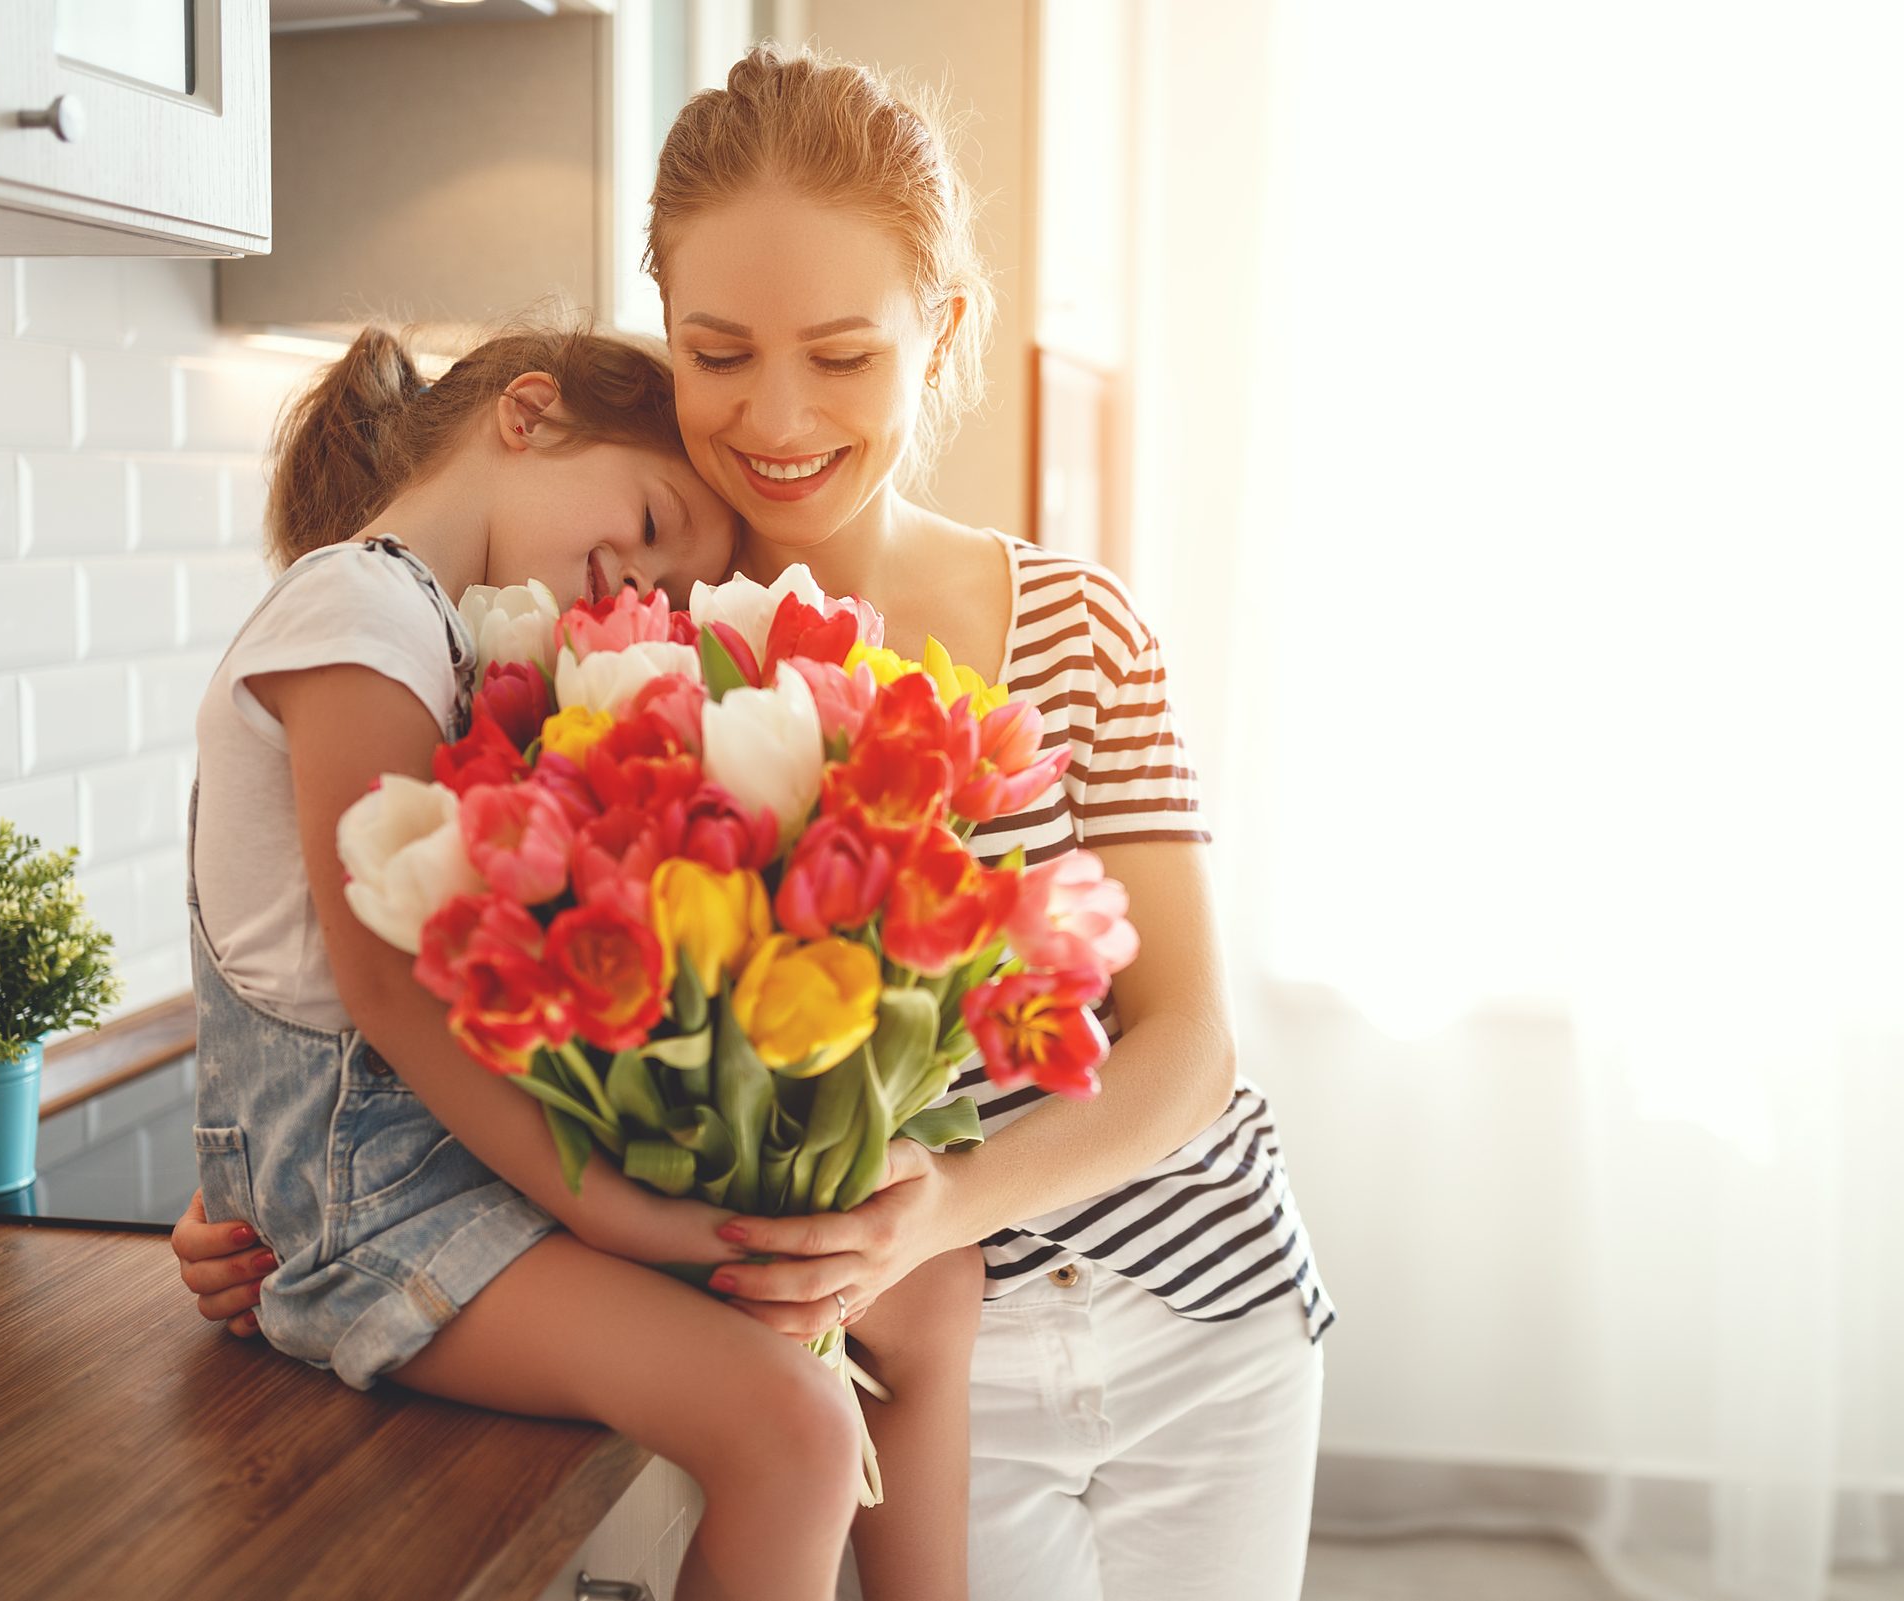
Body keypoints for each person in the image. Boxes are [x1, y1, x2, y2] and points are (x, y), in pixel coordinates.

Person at [176, 44, 1334, 1600]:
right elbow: (448, 984)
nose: (777, 413)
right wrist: (261, 1173)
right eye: (719, 352)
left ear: (943, 336)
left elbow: (1190, 1039)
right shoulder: (579, 656)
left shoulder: (1076, 625)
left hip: (1201, 1312)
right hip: (915, 1347)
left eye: (844, 354)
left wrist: (942, 1209)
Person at [182, 317, 981, 1601]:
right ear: (528, 412)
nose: (636, 586)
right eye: (659, 514)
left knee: (930, 1287)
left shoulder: (442, 627)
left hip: (459, 1170)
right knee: (796, 1428)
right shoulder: (357, 604)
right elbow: (383, 990)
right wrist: (623, 1212)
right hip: (382, 1203)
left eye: (667, 583)